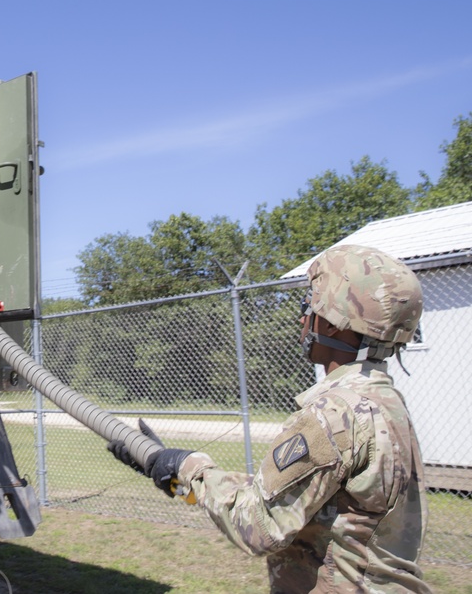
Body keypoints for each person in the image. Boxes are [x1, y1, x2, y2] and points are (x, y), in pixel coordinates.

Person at [110, 244, 429, 593]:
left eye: (309, 307)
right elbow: (297, 497)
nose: (302, 319)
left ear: (336, 324)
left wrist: (187, 466)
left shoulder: (334, 413)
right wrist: (172, 472)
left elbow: (259, 526)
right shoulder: (382, 402)